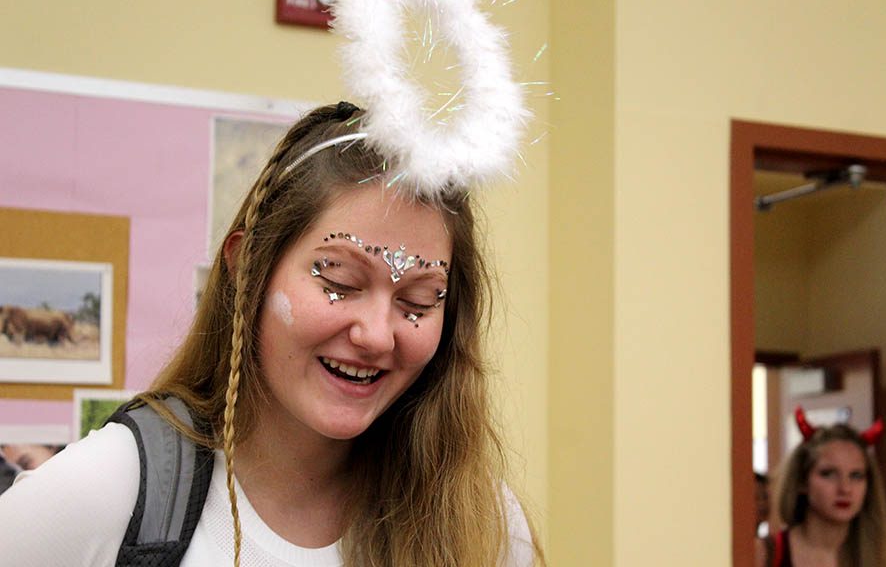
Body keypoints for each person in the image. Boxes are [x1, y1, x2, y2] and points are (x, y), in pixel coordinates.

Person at [0, 101, 543, 565]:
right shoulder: (105, 490)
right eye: (340, 280)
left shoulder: (484, 528)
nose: (378, 335)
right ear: (246, 269)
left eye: (419, 300)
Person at [755, 407, 886, 567]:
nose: (845, 488)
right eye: (828, 474)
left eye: (856, 476)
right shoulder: (764, 554)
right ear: (802, 481)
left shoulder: (879, 557)